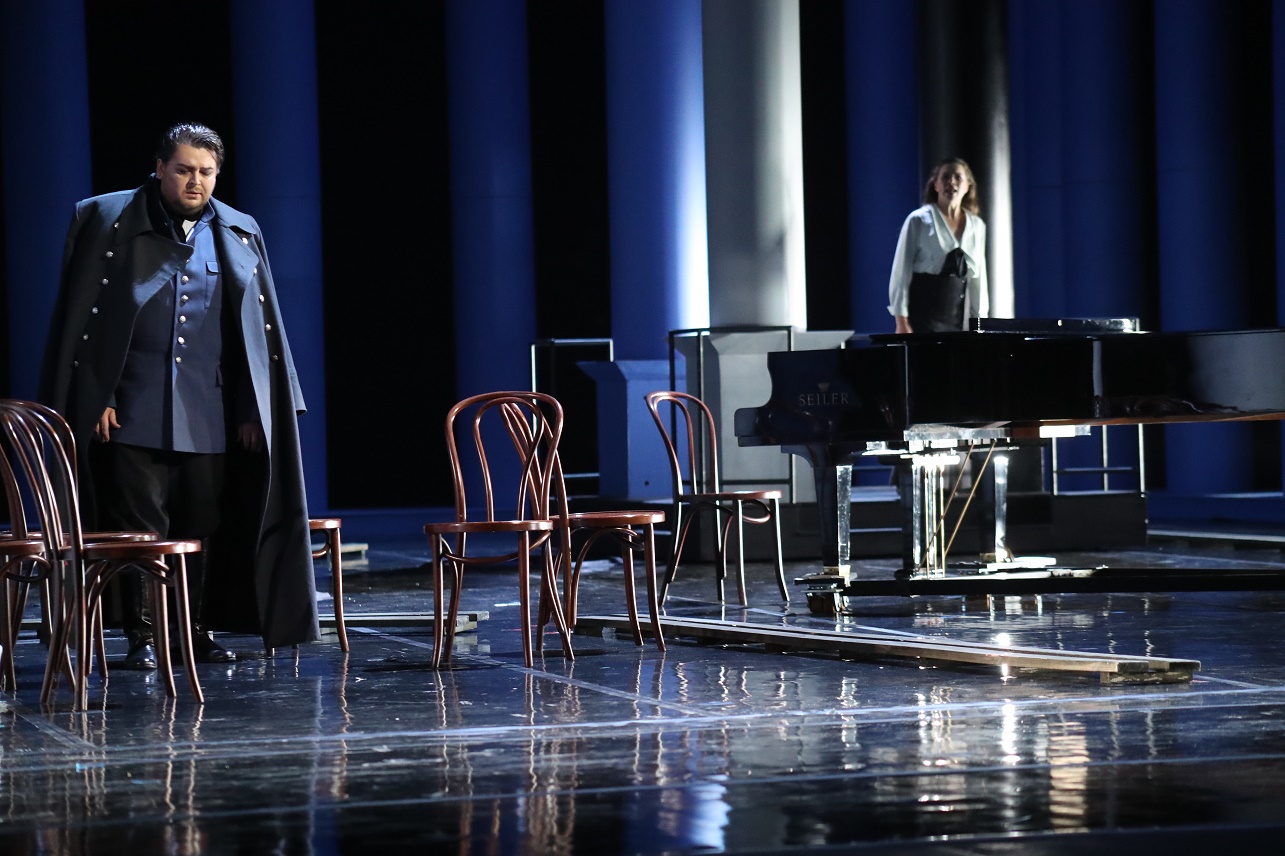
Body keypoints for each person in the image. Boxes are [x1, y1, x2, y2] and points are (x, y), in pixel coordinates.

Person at [38, 122, 320, 670]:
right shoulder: (105, 217)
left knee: (201, 524)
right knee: (139, 528)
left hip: (207, 409)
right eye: (185, 169)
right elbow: (85, 320)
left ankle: (193, 632)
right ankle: (144, 635)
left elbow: (256, 331)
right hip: (130, 407)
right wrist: (98, 395)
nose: (196, 181)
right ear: (160, 168)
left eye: (207, 172)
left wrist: (250, 408)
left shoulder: (238, 230)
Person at [887, 157, 990, 334]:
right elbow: (901, 272)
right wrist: (901, 321)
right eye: (945, 177)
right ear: (935, 185)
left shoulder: (977, 226)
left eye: (958, 177)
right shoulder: (918, 220)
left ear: (967, 186)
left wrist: (979, 321)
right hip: (922, 318)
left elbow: (978, 280)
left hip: (956, 319)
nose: (951, 182)